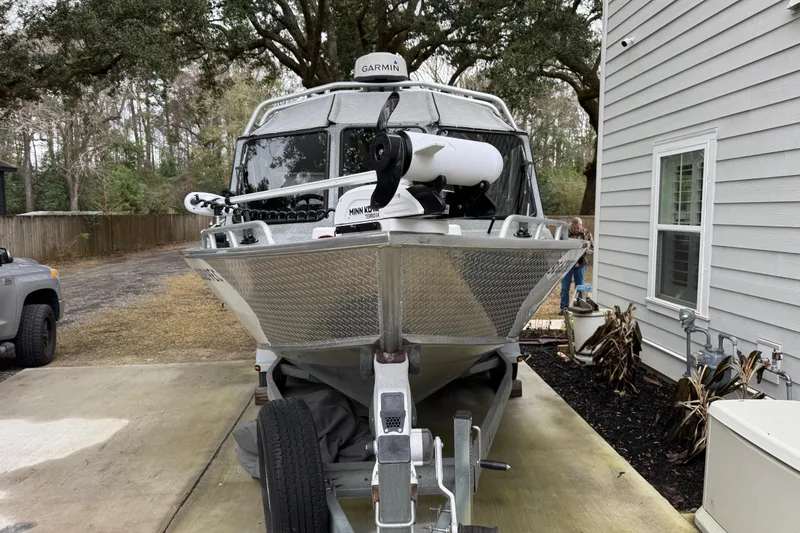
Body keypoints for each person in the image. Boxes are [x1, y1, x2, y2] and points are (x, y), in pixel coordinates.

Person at [560, 217, 594, 314]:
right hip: (567, 264)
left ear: (581, 226)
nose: (576, 230)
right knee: (565, 288)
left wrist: (584, 251)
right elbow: (558, 246)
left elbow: (592, 248)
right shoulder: (564, 233)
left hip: (580, 263)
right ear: (571, 226)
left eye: (578, 228)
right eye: (574, 228)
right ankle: (564, 308)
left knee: (580, 287)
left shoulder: (586, 233)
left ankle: (579, 306)